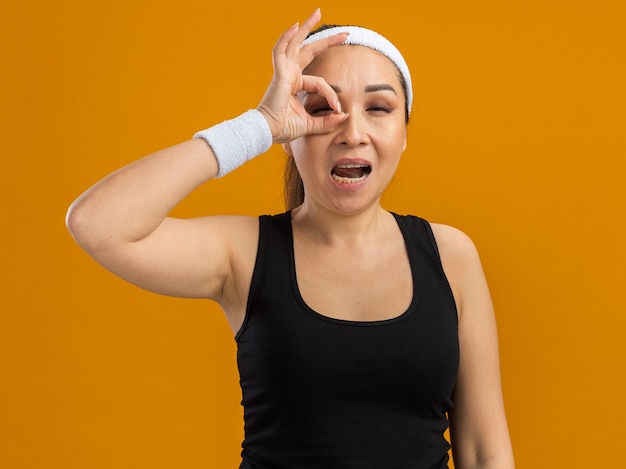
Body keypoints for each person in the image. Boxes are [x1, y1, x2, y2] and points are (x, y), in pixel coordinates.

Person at [66, 9, 515, 469]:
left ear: (404, 133)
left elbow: (484, 451)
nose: (352, 133)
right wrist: (256, 125)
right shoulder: (244, 254)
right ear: (291, 130)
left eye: (379, 109)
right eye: (322, 108)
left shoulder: (450, 256)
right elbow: (98, 224)